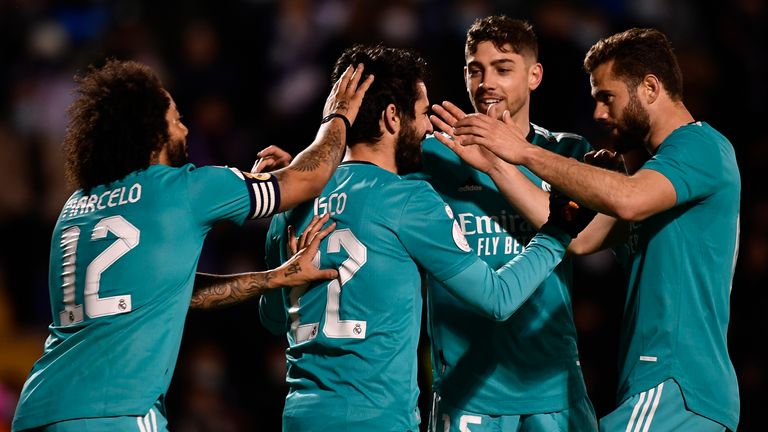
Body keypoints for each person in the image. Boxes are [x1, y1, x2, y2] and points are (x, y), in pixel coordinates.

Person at [11, 58, 373, 432]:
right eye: (176, 118)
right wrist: (338, 117)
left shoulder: (75, 207)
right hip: (116, 413)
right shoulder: (186, 189)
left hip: (38, 409)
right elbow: (307, 179)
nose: (185, 129)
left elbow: (168, 289)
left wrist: (274, 278)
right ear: (152, 134)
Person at [256, 44, 595, 431]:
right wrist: (558, 232)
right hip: (377, 415)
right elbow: (498, 298)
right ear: (391, 117)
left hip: (302, 414)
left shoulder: (293, 199)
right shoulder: (407, 197)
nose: (429, 127)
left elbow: (272, 317)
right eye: (421, 114)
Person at [441, 28, 740, 432]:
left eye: (607, 96)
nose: (599, 113)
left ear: (650, 87)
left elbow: (628, 198)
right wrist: (497, 164)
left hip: (678, 383)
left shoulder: (700, 146)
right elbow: (578, 239)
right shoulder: (656, 176)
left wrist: (526, 151)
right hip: (657, 386)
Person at [415, 16, 598, 431]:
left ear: (534, 76)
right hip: (467, 387)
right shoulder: (434, 156)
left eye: (502, 68)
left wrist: (498, 164)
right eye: (474, 70)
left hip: (552, 383)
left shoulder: (568, 152)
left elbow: (585, 239)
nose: (486, 83)